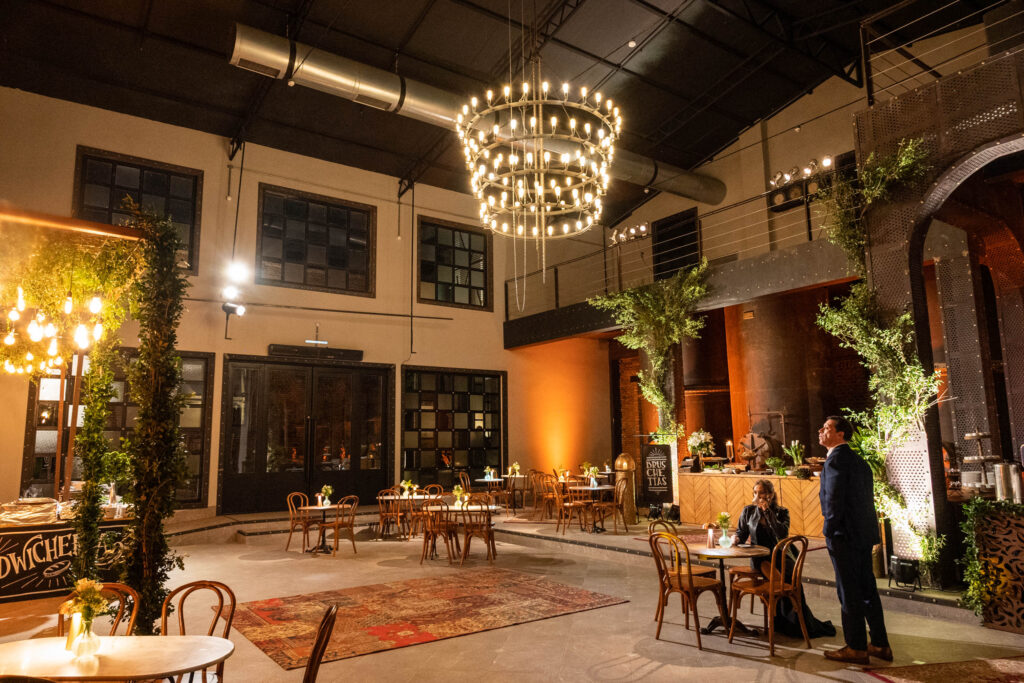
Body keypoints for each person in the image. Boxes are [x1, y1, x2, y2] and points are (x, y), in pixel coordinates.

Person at [818, 415, 893, 665]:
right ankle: (880, 644)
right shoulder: (858, 460)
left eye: (827, 428)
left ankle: (856, 647)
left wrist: (829, 530)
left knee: (848, 591)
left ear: (840, 434)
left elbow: (834, 500)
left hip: (844, 535)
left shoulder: (836, 461)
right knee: (867, 589)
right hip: (862, 534)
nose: (821, 431)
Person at [732, 479, 836, 639]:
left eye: (761, 493)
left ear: (770, 495)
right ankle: (781, 620)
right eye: (755, 493)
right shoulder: (748, 511)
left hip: (780, 553)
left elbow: (782, 534)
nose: (757, 496)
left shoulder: (781, 512)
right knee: (775, 575)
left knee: (790, 579)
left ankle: (796, 622)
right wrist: (736, 538)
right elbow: (741, 532)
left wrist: (768, 512)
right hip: (760, 557)